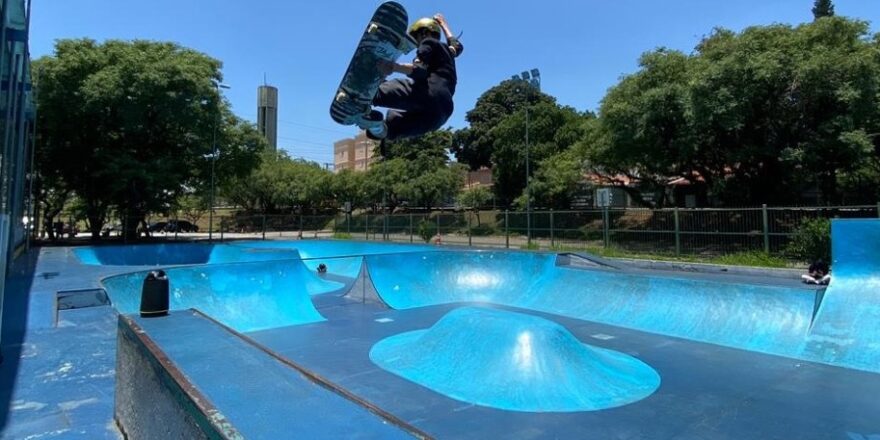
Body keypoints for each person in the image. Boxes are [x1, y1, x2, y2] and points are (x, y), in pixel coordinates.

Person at [358, 13, 463, 150]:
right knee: (390, 130)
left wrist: (393, 66)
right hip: (441, 114)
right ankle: (377, 126)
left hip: (429, 92)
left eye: (415, 38)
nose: (416, 44)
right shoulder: (449, 52)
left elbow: (420, 69)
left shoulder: (428, 42)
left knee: (377, 92)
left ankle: (367, 95)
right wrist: (443, 23)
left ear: (424, 33)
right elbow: (457, 45)